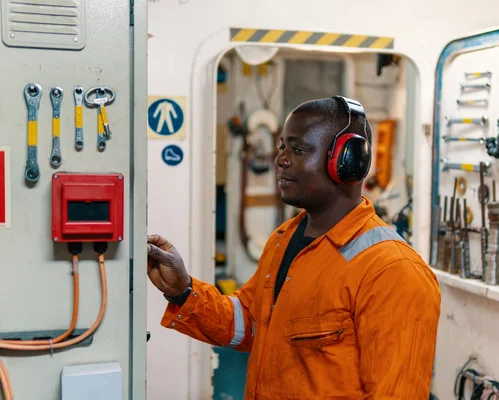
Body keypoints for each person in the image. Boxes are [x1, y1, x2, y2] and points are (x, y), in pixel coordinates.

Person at [147, 96, 441, 399]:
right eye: (282, 147)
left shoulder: (391, 271)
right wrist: (183, 290)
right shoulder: (284, 239)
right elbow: (249, 321)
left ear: (347, 161)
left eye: (297, 149)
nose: (281, 160)